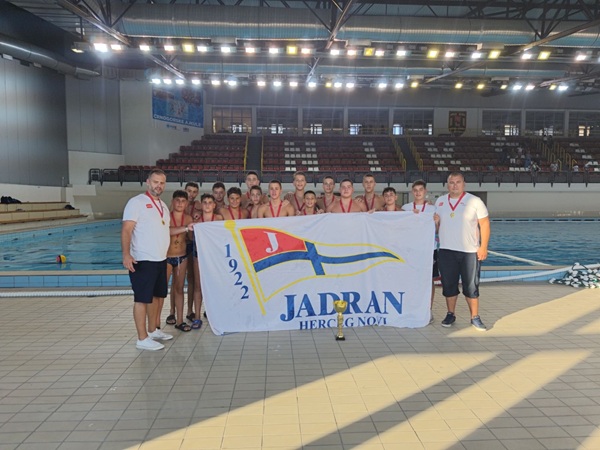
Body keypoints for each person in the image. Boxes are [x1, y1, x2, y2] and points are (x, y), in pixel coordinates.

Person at [122, 169, 174, 351]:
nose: (158, 186)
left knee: (156, 296)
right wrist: (126, 254)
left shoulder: (163, 206)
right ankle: (142, 338)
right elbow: (126, 229)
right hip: (143, 259)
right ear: (148, 182)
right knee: (142, 299)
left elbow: (165, 230)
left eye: (162, 183)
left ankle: (153, 331)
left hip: (160, 259)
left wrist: (186, 228)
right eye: (155, 182)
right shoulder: (136, 202)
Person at [434, 172, 490, 331]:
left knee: (471, 286)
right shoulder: (440, 201)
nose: (454, 185)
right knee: (449, 285)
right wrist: (436, 223)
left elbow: (484, 224)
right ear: (447, 184)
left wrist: (483, 247)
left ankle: (475, 317)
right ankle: (450, 314)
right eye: (451, 182)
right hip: (446, 250)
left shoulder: (474, 201)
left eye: (458, 182)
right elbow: (437, 228)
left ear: (463, 184)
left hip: (469, 251)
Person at [401, 180, 438, 324]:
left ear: (425, 191)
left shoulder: (432, 209)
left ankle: (428, 309)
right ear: (412, 192)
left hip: (429, 249)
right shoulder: (406, 208)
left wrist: (436, 222)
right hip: (411, 250)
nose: (418, 193)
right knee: (410, 278)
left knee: (429, 279)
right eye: (415, 190)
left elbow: (438, 230)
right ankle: (410, 307)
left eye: (420, 190)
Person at [192, 194, 224, 329]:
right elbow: (190, 237)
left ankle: (217, 315)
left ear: (214, 205)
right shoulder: (196, 221)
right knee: (198, 286)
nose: (207, 205)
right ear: (201, 205)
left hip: (214, 256)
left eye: (210, 202)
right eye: (204, 202)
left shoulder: (219, 219)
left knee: (216, 285)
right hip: (198, 255)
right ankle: (197, 317)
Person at [165, 190, 193, 332]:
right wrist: (186, 228)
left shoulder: (188, 218)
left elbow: (192, 238)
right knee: (161, 290)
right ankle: (156, 324)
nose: (180, 203)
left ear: (186, 203)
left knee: (179, 289)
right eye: (177, 200)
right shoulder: (166, 217)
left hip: (181, 257)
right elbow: (166, 231)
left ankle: (180, 321)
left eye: (183, 201)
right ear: (172, 201)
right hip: (167, 257)